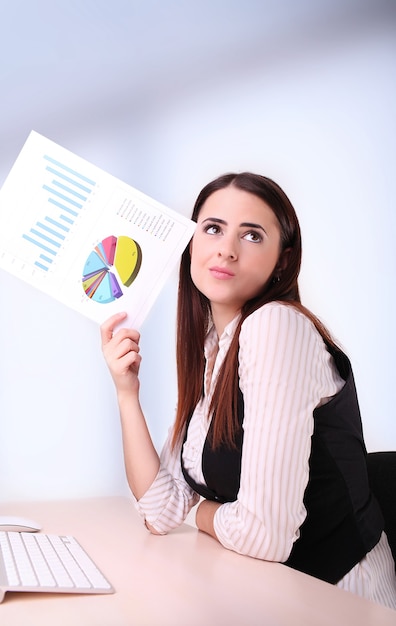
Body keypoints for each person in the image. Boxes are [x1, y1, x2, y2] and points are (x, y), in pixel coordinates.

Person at [101, 172, 396, 609]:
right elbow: (161, 511)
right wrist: (126, 393)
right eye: (213, 228)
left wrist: (199, 513)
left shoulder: (276, 326)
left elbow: (264, 535)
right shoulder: (213, 348)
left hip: (337, 601)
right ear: (191, 243)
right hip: (266, 592)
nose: (226, 248)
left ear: (282, 259)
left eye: (252, 235)